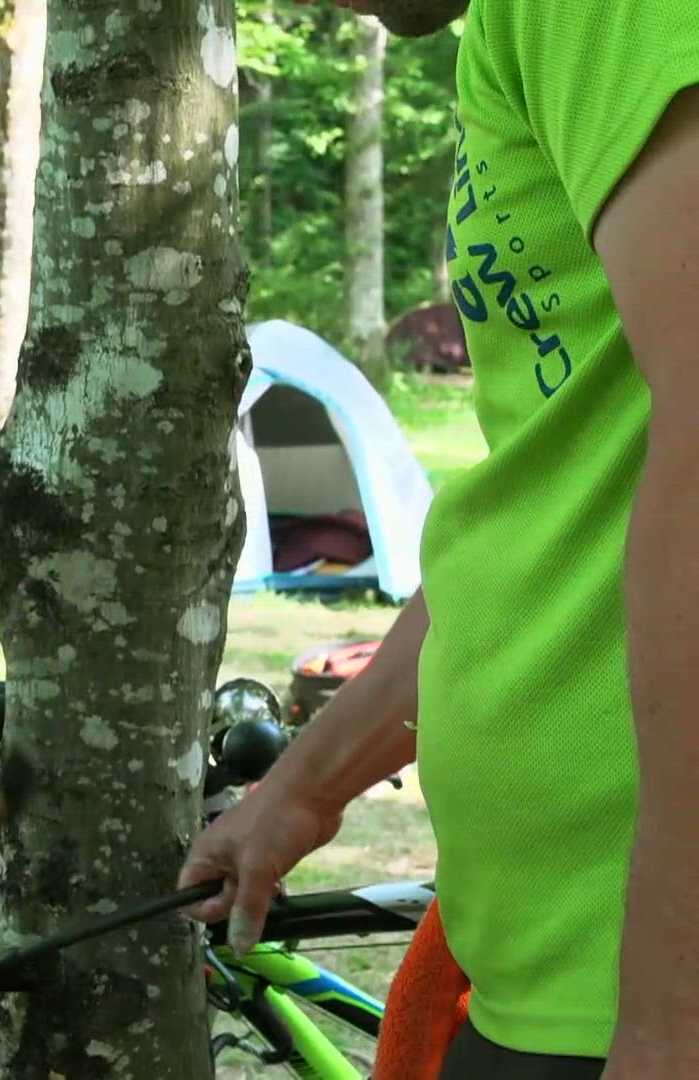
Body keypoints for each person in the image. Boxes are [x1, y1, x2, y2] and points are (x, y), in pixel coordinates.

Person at [181, 0, 699, 1076]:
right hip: (552, 975)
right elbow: (548, 512)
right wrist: (302, 794)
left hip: (622, 999)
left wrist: (670, 1015)